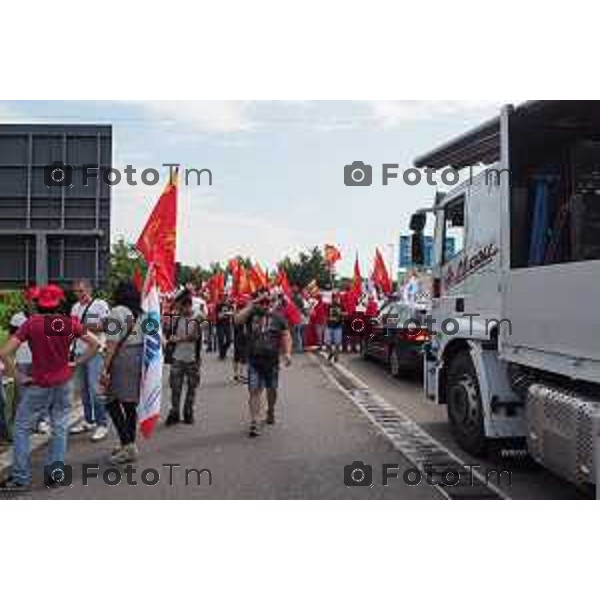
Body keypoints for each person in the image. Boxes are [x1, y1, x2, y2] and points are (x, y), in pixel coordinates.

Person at [0, 285, 100, 491]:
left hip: (39, 384)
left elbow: (4, 352)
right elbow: (95, 344)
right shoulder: (68, 323)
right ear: (59, 303)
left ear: (39, 304)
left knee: (21, 427)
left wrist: (18, 376)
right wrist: (77, 362)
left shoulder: (31, 324)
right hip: (63, 383)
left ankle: (20, 477)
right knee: (60, 427)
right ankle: (54, 475)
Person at [234, 290, 292, 438]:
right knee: (254, 391)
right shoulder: (251, 314)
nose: (266, 305)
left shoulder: (278, 317)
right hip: (254, 360)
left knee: (271, 389)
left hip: (272, 362)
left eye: (268, 302)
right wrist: (252, 304)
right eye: (263, 302)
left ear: (273, 302)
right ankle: (254, 421)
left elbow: (286, 335)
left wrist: (287, 353)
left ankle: (270, 410)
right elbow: (237, 320)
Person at [100, 281, 145, 465]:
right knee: (129, 404)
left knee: (111, 402)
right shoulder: (142, 313)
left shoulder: (117, 312)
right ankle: (129, 444)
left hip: (122, 359)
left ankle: (128, 445)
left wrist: (104, 369)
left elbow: (111, 345)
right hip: (137, 357)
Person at [69, 279, 111, 441]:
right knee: (83, 390)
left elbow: (108, 325)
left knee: (96, 389)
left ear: (89, 290)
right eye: (76, 292)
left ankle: (102, 424)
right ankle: (88, 420)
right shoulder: (75, 307)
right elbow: (73, 328)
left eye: (81, 291)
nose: (79, 295)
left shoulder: (100, 305)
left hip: (96, 351)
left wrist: (83, 327)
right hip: (79, 351)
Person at [165, 292, 202, 426]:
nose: (180, 310)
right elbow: (169, 332)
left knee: (192, 388)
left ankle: (188, 412)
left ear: (189, 306)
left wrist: (178, 339)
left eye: (182, 307)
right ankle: (174, 412)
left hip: (192, 360)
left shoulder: (197, 318)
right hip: (177, 358)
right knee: (175, 388)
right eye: (179, 307)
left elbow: (194, 336)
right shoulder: (176, 318)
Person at [325, 292, 345, 362]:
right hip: (329, 326)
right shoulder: (329, 305)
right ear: (332, 298)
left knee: (337, 343)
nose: (336, 299)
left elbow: (346, 313)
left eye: (337, 298)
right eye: (334, 298)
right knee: (327, 342)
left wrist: (341, 314)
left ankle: (336, 356)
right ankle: (331, 352)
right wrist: (326, 319)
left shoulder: (341, 306)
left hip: (338, 326)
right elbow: (326, 314)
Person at [215, 295, 234, 360]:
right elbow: (219, 316)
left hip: (227, 324)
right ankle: (221, 355)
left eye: (226, 297)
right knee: (221, 339)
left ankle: (223, 351)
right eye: (224, 297)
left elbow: (233, 313)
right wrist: (227, 314)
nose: (225, 298)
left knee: (229, 340)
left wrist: (227, 314)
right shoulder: (219, 305)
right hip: (220, 324)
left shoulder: (230, 305)